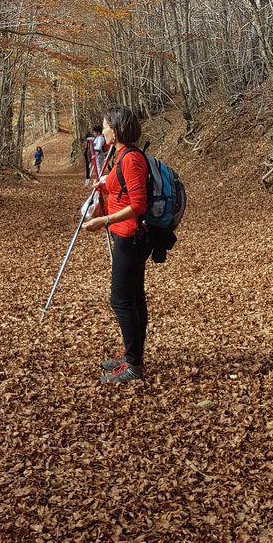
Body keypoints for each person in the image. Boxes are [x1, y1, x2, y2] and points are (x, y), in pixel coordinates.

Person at [82, 105, 152, 385]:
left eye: (105, 126)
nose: (103, 131)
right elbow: (122, 191)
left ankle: (134, 366)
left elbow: (138, 205)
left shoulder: (131, 159)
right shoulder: (122, 156)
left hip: (130, 237)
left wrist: (106, 219)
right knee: (133, 299)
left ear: (117, 129)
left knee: (122, 300)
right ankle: (132, 354)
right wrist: (104, 185)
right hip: (124, 235)